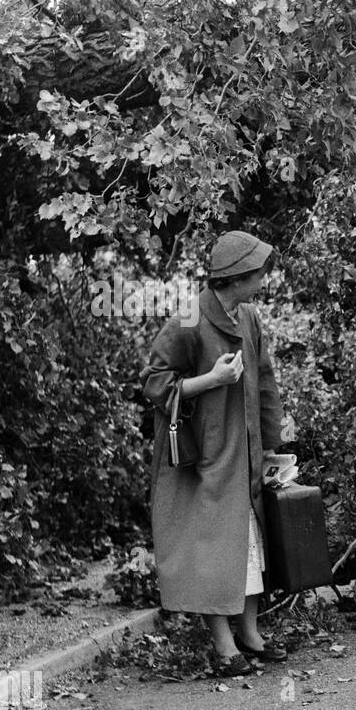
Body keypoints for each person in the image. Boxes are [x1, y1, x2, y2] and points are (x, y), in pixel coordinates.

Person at [141, 231, 290, 675]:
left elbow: (265, 385)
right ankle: (223, 647)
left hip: (244, 452)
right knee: (211, 547)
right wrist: (211, 380)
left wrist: (271, 447)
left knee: (249, 545)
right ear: (239, 277)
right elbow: (154, 384)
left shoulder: (249, 317)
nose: (265, 280)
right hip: (204, 456)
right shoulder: (189, 317)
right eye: (260, 273)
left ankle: (250, 635)